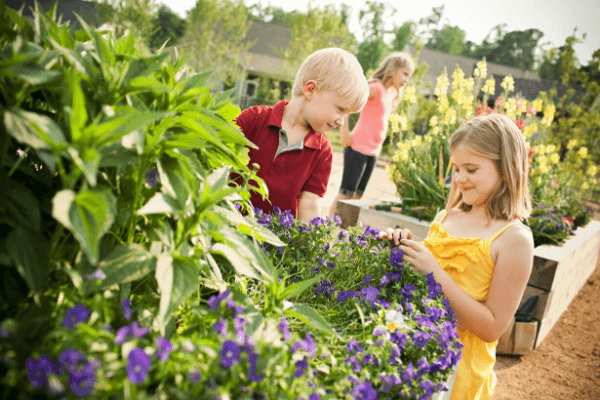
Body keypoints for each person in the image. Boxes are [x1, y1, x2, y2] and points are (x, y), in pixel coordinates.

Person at [379, 114, 534, 400]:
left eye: (471, 169)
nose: (460, 178)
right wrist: (405, 249)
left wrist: (434, 273)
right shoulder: (446, 216)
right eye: (457, 168)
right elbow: (425, 280)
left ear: (506, 167)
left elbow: (492, 327)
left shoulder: (514, 240)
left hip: (458, 376)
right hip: (413, 356)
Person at [235, 48, 369, 223]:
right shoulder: (253, 119)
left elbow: (310, 204)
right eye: (340, 109)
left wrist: (307, 246)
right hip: (225, 228)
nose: (341, 122)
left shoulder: (322, 151)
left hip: (272, 244)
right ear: (311, 89)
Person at [329, 52, 414, 217]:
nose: (407, 80)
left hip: (373, 152)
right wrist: (344, 130)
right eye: (405, 74)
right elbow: (350, 99)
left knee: (358, 195)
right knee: (346, 192)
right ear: (393, 70)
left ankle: (342, 227)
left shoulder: (389, 94)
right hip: (358, 147)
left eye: (409, 76)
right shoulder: (376, 88)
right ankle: (326, 225)